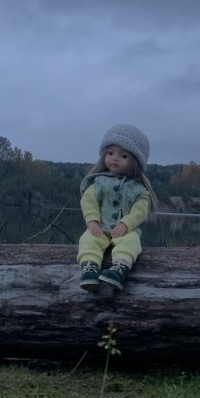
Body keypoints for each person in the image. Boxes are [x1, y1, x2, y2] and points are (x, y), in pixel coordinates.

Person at [77, 123, 158, 291]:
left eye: (124, 156)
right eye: (110, 153)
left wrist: (126, 224)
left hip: (125, 230)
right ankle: (89, 267)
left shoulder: (137, 189)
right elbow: (88, 200)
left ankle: (120, 268)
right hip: (100, 227)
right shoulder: (98, 182)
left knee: (131, 241)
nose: (115, 158)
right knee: (88, 239)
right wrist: (92, 221)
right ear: (104, 155)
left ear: (135, 161)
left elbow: (140, 210)